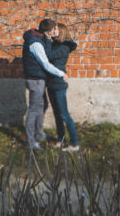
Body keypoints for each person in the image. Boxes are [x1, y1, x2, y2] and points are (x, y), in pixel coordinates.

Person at [22, 19, 69, 152]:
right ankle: (31, 142)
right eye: (54, 29)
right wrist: (61, 74)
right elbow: (46, 63)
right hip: (35, 79)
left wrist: (48, 40)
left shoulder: (41, 39)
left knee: (43, 105)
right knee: (33, 109)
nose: (57, 31)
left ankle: (39, 133)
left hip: (39, 79)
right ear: (47, 32)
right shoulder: (36, 43)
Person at [46, 23, 79, 152]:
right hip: (50, 82)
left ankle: (74, 143)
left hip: (59, 84)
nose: (52, 31)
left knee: (64, 114)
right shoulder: (55, 44)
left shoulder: (64, 47)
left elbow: (48, 56)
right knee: (57, 114)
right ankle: (61, 139)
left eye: (55, 30)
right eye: (52, 29)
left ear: (62, 32)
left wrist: (48, 41)